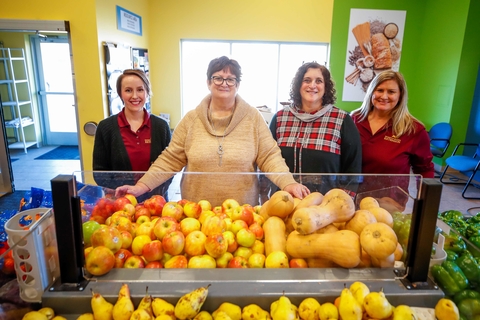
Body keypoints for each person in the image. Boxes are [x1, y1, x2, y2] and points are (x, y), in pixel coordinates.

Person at [115, 56, 309, 206]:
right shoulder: (191, 119)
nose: (224, 83)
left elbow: (270, 156)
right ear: (208, 82)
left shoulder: (253, 119)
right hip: (196, 215)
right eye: (217, 78)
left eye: (230, 79)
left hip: (243, 216)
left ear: (238, 84)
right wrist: (141, 186)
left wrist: (288, 183)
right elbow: (170, 159)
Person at [269, 62, 362, 194]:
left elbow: (352, 169)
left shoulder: (342, 120)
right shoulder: (279, 118)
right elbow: (267, 159)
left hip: (325, 207)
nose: (312, 85)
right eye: (307, 80)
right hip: (284, 203)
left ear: (326, 87)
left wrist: (341, 202)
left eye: (319, 81)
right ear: (298, 85)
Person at [351, 70, 434, 206]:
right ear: (371, 92)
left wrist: (426, 204)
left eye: (391, 92)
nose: (384, 96)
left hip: (387, 202)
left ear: (400, 95)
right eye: (380, 90)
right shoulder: (354, 120)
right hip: (350, 197)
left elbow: (424, 170)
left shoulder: (413, 129)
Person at [93, 69, 171, 196]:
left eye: (140, 90)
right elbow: (100, 172)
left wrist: (152, 191)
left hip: (155, 202)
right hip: (120, 201)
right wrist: (124, 192)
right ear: (120, 93)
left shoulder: (161, 126)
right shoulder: (105, 127)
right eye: (128, 90)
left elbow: (169, 166)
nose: (135, 96)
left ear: (147, 92)